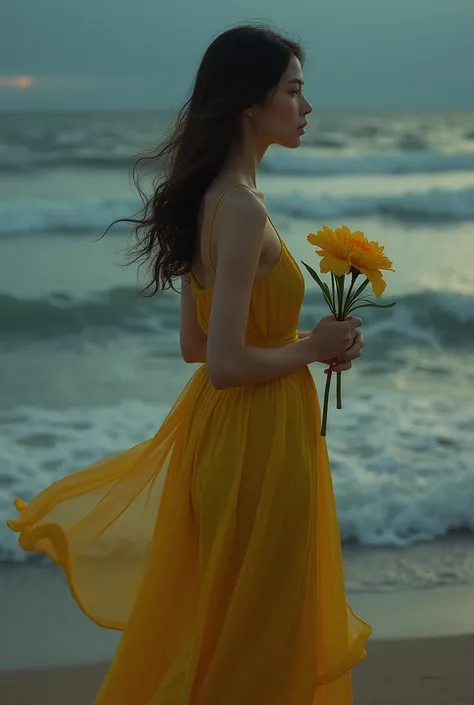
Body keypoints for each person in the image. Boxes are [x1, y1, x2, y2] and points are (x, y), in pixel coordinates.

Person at [8, 23, 371, 705]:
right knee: (259, 634)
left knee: (224, 622)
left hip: (223, 435)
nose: (307, 106)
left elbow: (196, 344)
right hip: (259, 439)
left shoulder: (207, 200)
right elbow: (226, 362)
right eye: (294, 90)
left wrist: (302, 339)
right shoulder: (240, 209)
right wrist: (309, 347)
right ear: (250, 104)